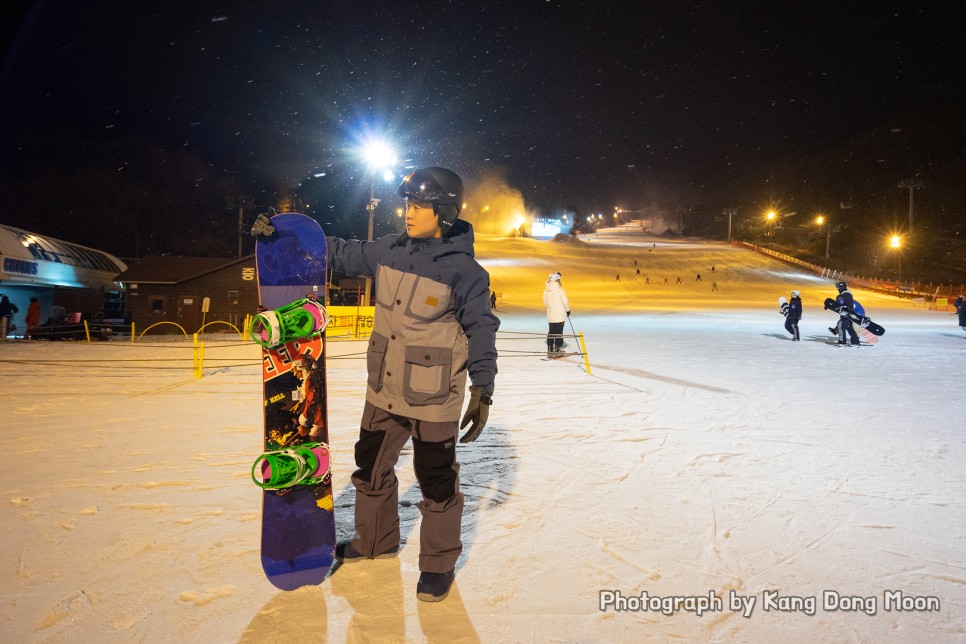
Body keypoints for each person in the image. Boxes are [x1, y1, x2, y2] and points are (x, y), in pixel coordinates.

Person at [326, 167, 499, 603]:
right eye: (408, 204)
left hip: (433, 396)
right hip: (384, 388)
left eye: (419, 206)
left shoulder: (465, 271)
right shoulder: (389, 250)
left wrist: (482, 388)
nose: (409, 212)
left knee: (436, 480)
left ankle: (437, 564)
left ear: (442, 212)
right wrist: (285, 237)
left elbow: (482, 328)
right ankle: (374, 541)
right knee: (370, 466)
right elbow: (343, 254)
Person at [543, 272, 570, 356]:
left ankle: (550, 348)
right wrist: (568, 310)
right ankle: (557, 348)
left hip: (550, 315)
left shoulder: (545, 292)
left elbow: (545, 303)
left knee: (551, 331)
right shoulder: (560, 291)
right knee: (559, 332)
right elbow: (565, 301)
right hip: (560, 315)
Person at [828, 281, 860, 346]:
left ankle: (842, 343)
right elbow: (840, 304)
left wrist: (846, 310)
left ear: (841, 287)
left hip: (846, 314)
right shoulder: (844, 294)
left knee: (840, 326)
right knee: (849, 328)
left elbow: (848, 305)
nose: (838, 289)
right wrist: (829, 306)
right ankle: (855, 342)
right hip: (845, 314)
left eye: (838, 288)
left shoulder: (846, 294)